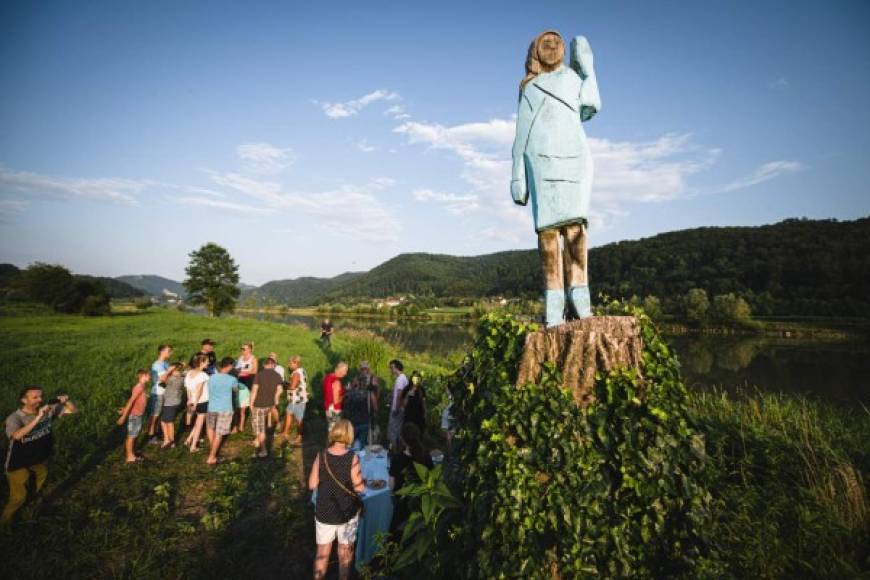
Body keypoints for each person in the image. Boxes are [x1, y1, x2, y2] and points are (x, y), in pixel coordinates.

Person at [3, 387, 76, 525]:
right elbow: (16, 436)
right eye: (35, 397)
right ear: (24, 400)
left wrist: (67, 401)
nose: (40, 400)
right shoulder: (15, 418)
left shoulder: (48, 410)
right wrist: (38, 417)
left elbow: (73, 411)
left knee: (39, 479)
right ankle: (5, 523)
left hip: (37, 459)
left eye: (41, 396)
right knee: (19, 496)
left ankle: (27, 508)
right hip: (17, 463)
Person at [308, 419, 364, 580]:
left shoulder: (321, 456)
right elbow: (359, 488)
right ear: (349, 436)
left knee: (322, 552)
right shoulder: (352, 458)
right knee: (345, 552)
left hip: (324, 511)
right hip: (346, 513)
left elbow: (312, 485)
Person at [388, 422, 433, 530]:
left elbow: (391, 486)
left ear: (403, 440)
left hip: (403, 508)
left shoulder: (397, 458)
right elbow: (431, 479)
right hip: (422, 505)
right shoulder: (426, 456)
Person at [205, 357, 239, 466]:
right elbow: (235, 390)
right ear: (229, 366)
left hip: (212, 407)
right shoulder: (232, 379)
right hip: (225, 409)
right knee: (219, 433)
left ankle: (213, 448)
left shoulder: (211, 377)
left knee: (210, 428)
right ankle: (212, 457)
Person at [249, 357, 283, 458]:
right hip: (270, 404)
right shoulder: (277, 375)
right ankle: (257, 440)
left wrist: (251, 403)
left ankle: (264, 450)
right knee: (262, 423)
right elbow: (280, 389)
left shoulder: (259, 375)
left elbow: (254, 390)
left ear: (264, 365)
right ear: (273, 365)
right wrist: (275, 399)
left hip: (259, 404)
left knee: (260, 428)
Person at [117, 369, 149, 463]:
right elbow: (131, 401)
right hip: (135, 416)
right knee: (131, 436)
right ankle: (130, 457)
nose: (149, 377)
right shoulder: (138, 387)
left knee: (134, 435)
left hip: (138, 415)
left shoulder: (142, 386)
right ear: (143, 376)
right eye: (148, 375)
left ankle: (132, 452)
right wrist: (123, 416)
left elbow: (134, 401)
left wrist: (124, 409)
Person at [343, 368, 378, 449]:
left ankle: (350, 458)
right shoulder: (370, 394)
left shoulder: (350, 393)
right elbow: (376, 408)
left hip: (353, 422)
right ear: (366, 383)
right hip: (365, 422)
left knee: (351, 444)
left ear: (357, 383)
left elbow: (346, 405)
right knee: (363, 445)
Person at [184, 354, 210, 453]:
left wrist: (189, 400)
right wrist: (195, 402)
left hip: (192, 400)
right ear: (201, 362)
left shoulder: (189, 373)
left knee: (198, 422)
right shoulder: (202, 375)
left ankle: (188, 440)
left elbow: (188, 389)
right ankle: (193, 446)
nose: (208, 363)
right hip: (202, 401)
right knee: (199, 424)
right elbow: (199, 390)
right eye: (206, 361)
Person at [148, 344, 172, 445]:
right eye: (169, 351)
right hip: (158, 393)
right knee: (155, 415)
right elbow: (163, 378)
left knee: (160, 414)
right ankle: (151, 436)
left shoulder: (165, 363)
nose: (171, 353)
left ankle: (156, 433)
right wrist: (170, 371)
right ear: (162, 352)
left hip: (164, 392)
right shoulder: (157, 364)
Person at [281, 356, 308, 444]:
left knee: (299, 419)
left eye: (290, 363)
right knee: (288, 413)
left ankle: (299, 437)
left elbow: (293, 387)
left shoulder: (296, 373)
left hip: (298, 400)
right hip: (295, 399)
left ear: (296, 363)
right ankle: (285, 432)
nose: (289, 365)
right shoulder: (302, 370)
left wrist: (285, 386)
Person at [159, 362, 185, 449]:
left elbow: (162, 379)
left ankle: (171, 441)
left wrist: (168, 371)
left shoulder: (172, 379)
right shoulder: (182, 377)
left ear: (175, 371)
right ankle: (167, 439)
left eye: (172, 370)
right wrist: (181, 366)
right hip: (174, 402)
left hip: (170, 403)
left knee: (169, 422)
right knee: (164, 421)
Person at [234, 342, 257, 433]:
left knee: (251, 403)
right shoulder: (240, 358)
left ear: (250, 349)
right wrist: (238, 372)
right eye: (242, 349)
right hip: (240, 381)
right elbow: (236, 369)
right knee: (239, 402)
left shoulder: (253, 359)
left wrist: (244, 373)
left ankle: (254, 423)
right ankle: (238, 424)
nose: (242, 350)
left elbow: (254, 371)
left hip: (249, 381)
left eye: (244, 349)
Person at [387, 359, 408, 449]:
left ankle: (394, 451)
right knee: (399, 431)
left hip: (397, 409)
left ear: (396, 368)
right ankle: (399, 452)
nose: (391, 370)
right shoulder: (404, 378)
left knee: (393, 431)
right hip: (402, 408)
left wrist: (396, 408)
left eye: (392, 368)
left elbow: (400, 394)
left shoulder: (400, 379)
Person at [322, 362, 348, 433]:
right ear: (340, 370)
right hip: (335, 409)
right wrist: (344, 395)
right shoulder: (337, 382)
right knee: (335, 432)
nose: (345, 373)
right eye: (345, 371)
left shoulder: (327, 377)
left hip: (328, 407)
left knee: (330, 430)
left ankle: (328, 443)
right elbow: (336, 400)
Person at [268, 351, 284, 427]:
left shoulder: (280, 368)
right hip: (268, 388)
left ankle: (278, 422)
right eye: (270, 356)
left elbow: (280, 380)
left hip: (277, 388)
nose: (271, 357)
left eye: (273, 356)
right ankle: (269, 423)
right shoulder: (267, 366)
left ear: (276, 359)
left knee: (274, 406)